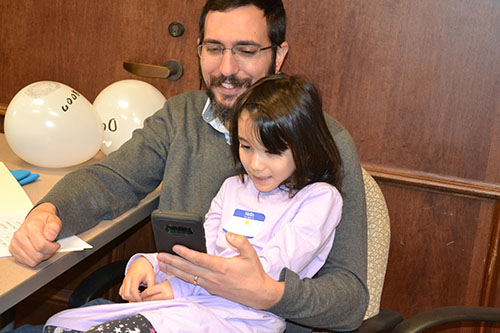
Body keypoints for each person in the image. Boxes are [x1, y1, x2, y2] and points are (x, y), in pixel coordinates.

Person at [9, 0, 368, 331]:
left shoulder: (323, 142)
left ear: (278, 55)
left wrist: (268, 294)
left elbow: (350, 302)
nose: (227, 69)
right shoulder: (182, 117)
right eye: (214, 49)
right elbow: (111, 179)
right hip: (173, 307)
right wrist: (49, 212)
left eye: (245, 50)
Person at [42, 74, 345, 333]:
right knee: (61, 323)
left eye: (271, 152)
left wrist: (182, 286)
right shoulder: (233, 187)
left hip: (244, 320)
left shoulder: (319, 198)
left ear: (305, 147)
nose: (255, 164)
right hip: (190, 303)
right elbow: (199, 255)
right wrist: (146, 263)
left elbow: (264, 276)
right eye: (245, 146)